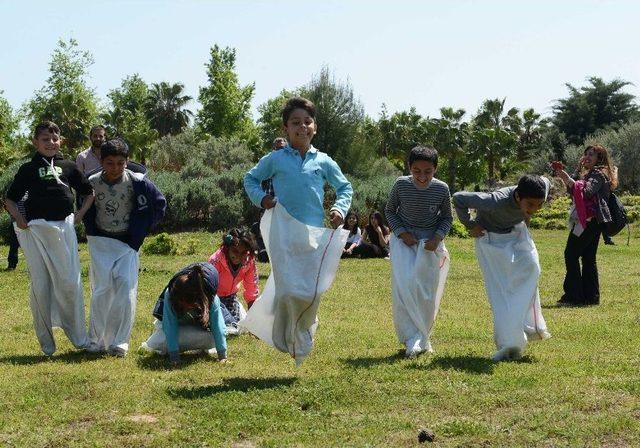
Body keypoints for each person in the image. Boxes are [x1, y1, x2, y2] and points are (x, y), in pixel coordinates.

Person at [241, 97, 352, 364]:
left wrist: (339, 209)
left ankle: (304, 325)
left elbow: (345, 188)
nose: (302, 127)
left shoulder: (323, 161)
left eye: (307, 122)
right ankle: (289, 337)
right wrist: (262, 199)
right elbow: (250, 178)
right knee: (289, 289)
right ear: (285, 129)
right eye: (295, 123)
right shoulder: (276, 159)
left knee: (311, 290)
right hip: (283, 232)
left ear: (315, 126)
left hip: (314, 235)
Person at [4, 121, 94, 356]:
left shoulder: (69, 166)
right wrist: (19, 219)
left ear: (60, 141)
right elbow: (10, 199)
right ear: (35, 142)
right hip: (37, 232)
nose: (51, 143)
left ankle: (79, 338)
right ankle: (47, 344)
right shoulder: (28, 169)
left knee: (69, 284)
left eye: (55, 139)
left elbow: (88, 192)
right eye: (45, 139)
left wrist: (79, 215)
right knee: (41, 285)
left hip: (64, 229)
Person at [453, 175, 552, 361]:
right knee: (502, 290)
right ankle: (510, 341)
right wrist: (470, 225)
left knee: (533, 268)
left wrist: (527, 214)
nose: (535, 209)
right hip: (491, 240)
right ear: (517, 197)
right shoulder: (495, 200)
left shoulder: (541, 187)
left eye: (540, 205)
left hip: (516, 234)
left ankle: (530, 326)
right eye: (530, 205)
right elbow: (459, 198)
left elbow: (545, 180)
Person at [83, 138, 166, 357]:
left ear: (127, 162)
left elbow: (159, 204)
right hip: (100, 241)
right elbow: (83, 205)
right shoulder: (91, 182)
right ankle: (95, 340)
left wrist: (143, 229)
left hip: (128, 243)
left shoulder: (138, 182)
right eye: (110, 163)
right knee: (100, 290)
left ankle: (120, 341)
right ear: (102, 162)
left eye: (121, 163)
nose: (116, 168)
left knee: (125, 286)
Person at [385, 146, 452, 357]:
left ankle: (423, 336)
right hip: (404, 242)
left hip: (429, 245)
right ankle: (409, 336)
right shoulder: (401, 184)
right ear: (409, 168)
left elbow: (447, 218)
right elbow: (389, 210)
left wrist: (436, 238)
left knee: (425, 291)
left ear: (435, 169)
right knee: (404, 286)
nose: (422, 176)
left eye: (428, 171)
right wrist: (402, 233)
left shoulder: (441, 189)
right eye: (416, 171)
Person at [553, 145, 618, 306]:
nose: (587, 156)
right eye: (586, 154)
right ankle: (591, 297)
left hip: (587, 222)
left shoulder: (597, 173)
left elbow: (586, 192)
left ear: (599, 158)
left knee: (571, 254)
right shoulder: (593, 173)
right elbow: (575, 191)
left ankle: (574, 296)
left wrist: (569, 179)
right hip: (594, 222)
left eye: (592, 154)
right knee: (588, 258)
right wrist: (568, 175)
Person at [140, 263, 227, 366]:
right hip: (174, 326)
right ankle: (181, 346)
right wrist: (174, 357)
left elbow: (218, 326)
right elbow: (170, 327)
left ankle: (188, 345)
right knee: (160, 341)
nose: (186, 309)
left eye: (189, 306)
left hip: (196, 327)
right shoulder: (170, 294)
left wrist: (222, 356)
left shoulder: (210, 299)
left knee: (212, 339)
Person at [208, 227, 259, 331]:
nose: (239, 256)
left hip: (230, 298)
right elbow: (207, 290)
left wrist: (253, 321)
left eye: (244, 252)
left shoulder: (249, 263)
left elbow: (252, 290)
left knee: (235, 326)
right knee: (224, 326)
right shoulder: (215, 261)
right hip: (214, 299)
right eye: (235, 251)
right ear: (227, 249)